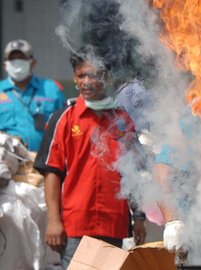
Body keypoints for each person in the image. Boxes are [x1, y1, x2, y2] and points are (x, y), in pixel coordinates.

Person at [33, 46, 145, 269]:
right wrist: (54, 221)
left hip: (114, 224)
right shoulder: (64, 118)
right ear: (74, 78)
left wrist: (139, 217)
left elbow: (132, 173)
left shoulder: (122, 121)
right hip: (76, 226)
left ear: (107, 77)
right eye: (80, 75)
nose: (85, 81)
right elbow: (52, 173)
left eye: (92, 75)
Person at [0, 39, 66, 151]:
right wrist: (8, 139)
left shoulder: (51, 89)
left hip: (45, 161)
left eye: (22, 58)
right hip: (7, 161)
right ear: (5, 65)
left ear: (33, 62)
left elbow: (65, 125)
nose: (17, 62)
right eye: (13, 59)